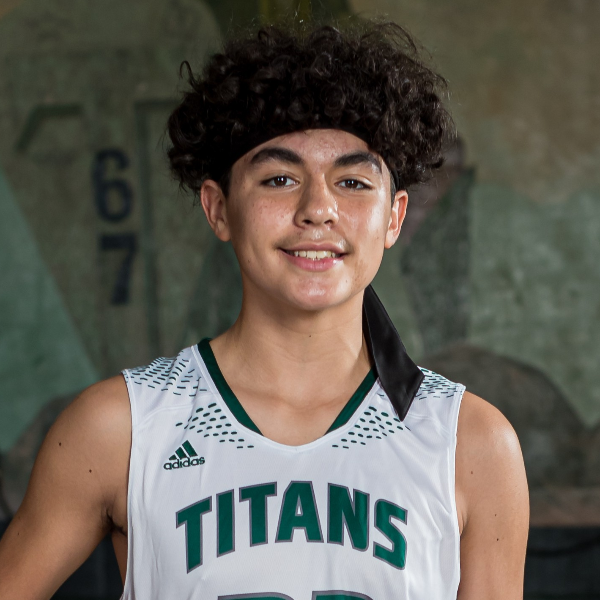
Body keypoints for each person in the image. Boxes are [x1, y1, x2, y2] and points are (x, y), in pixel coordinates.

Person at [0, 20, 529, 600]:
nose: (317, 209)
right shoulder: (123, 427)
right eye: (279, 178)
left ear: (394, 217)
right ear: (218, 209)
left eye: (353, 182)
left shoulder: (469, 443)